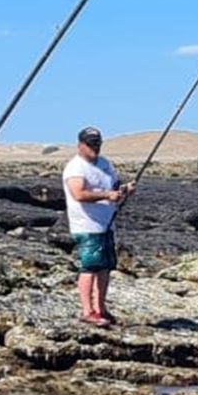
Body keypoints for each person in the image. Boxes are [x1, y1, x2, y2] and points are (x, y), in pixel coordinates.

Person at [62, 126, 133, 325]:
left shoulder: (104, 164)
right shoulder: (75, 168)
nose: (95, 148)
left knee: (105, 268)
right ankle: (87, 310)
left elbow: (114, 187)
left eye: (98, 144)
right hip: (87, 225)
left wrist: (124, 190)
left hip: (106, 224)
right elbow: (78, 194)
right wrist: (106, 195)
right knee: (90, 266)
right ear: (80, 145)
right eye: (91, 144)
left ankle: (101, 309)